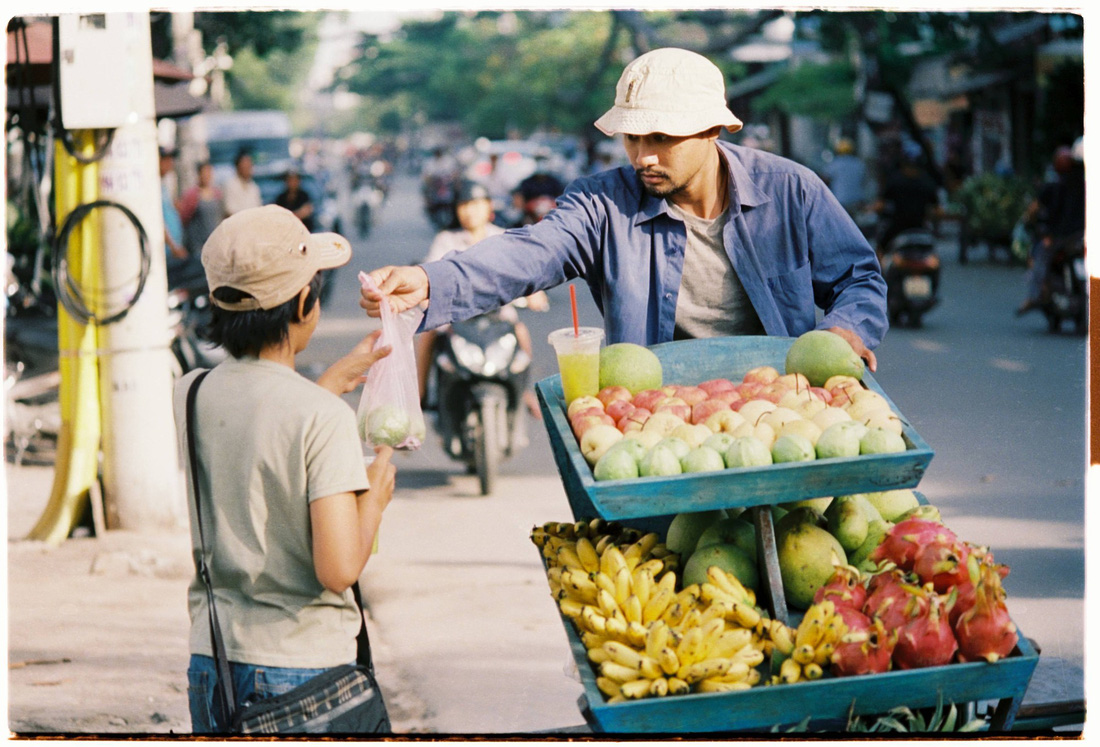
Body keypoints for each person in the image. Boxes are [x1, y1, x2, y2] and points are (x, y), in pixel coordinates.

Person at [361, 47, 887, 371]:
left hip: (780, 406)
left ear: (713, 130)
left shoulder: (791, 191)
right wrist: (432, 281)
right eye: (633, 138)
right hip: (654, 417)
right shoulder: (601, 202)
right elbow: (531, 252)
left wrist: (847, 328)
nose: (644, 156)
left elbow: (859, 277)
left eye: (662, 137)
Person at [175, 204, 396, 733]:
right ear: (304, 304)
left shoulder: (191, 393)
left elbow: (258, 433)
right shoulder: (322, 418)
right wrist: (376, 499)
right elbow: (339, 568)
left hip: (214, 662)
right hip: (304, 670)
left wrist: (333, 382)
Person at [417, 180, 548, 415]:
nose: (470, 210)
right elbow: (431, 274)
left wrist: (535, 293)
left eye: (476, 204)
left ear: (489, 207)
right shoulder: (446, 239)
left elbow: (526, 270)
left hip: (498, 314)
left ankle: (524, 389)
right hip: (455, 316)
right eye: (464, 204)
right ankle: (420, 394)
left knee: (521, 332)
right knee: (428, 336)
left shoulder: (505, 237)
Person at [1016, 144, 1086, 316]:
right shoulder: (1085, 182)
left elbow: (1034, 208)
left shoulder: (1054, 184)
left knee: (1039, 256)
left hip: (1060, 237)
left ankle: (1034, 295)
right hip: (1081, 235)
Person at [872, 141, 941, 256]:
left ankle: (879, 273)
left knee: (879, 250)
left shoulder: (894, 181)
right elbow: (938, 210)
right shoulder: (927, 182)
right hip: (920, 227)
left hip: (897, 227)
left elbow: (880, 205)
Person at [178, 161, 225, 258]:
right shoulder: (192, 195)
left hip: (214, 242)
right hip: (198, 245)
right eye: (204, 173)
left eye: (209, 172)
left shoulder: (217, 193)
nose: (207, 176)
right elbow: (184, 218)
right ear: (199, 174)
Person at [823, 138, 868, 218]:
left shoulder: (835, 163)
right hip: (857, 200)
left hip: (840, 200)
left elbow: (826, 180)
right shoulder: (859, 163)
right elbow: (863, 181)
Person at [222, 150, 262, 217]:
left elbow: (258, 208)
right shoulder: (229, 185)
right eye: (245, 165)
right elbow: (229, 211)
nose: (248, 168)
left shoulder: (254, 187)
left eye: (250, 165)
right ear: (237, 167)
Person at [274, 167, 315, 231]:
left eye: (295, 180)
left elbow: (306, 212)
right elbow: (279, 215)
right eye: (290, 180)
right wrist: (297, 214)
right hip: (286, 230)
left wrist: (290, 216)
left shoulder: (304, 196)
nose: (292, 182)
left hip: (303, 229)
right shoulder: (281, 198)